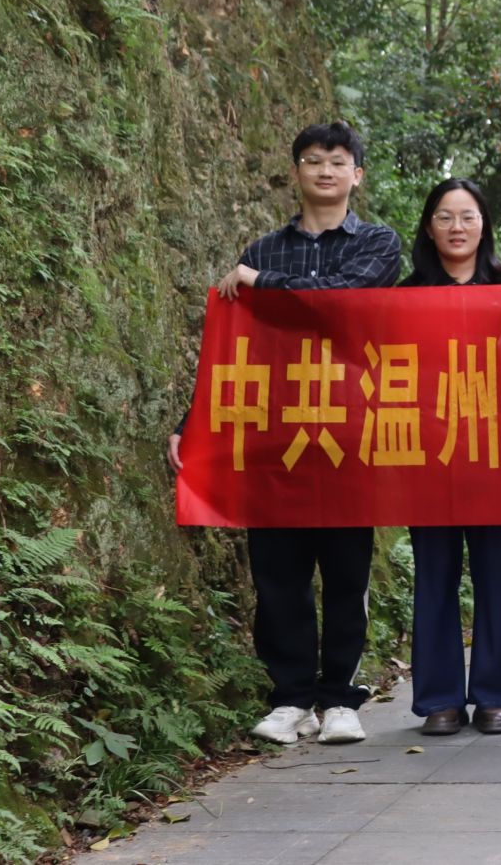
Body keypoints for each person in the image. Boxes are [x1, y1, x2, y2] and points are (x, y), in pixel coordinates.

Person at [169, 122, 402, 746]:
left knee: (347, 571)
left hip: (349, 431)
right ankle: (292, 697)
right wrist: (193, 426)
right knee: (277, 572)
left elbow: (343, 298)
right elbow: (232, 350)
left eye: (338, 161)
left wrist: (260, 283)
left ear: (356, 175)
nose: (325, 170)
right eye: (313, 160)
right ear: (296, 171)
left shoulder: (376, 243)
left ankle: (341, 698)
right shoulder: (264, 249)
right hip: (276, 433)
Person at [401, 178, 501, 736]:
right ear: (429, 228)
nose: (457, 227)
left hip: (497, 455)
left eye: (468, 216)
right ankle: (440, 699)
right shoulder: (404, 294)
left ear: (484, 227)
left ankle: (494, 697)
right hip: (427, 453)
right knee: (435, 576)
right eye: (445, 217)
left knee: (497, 578)